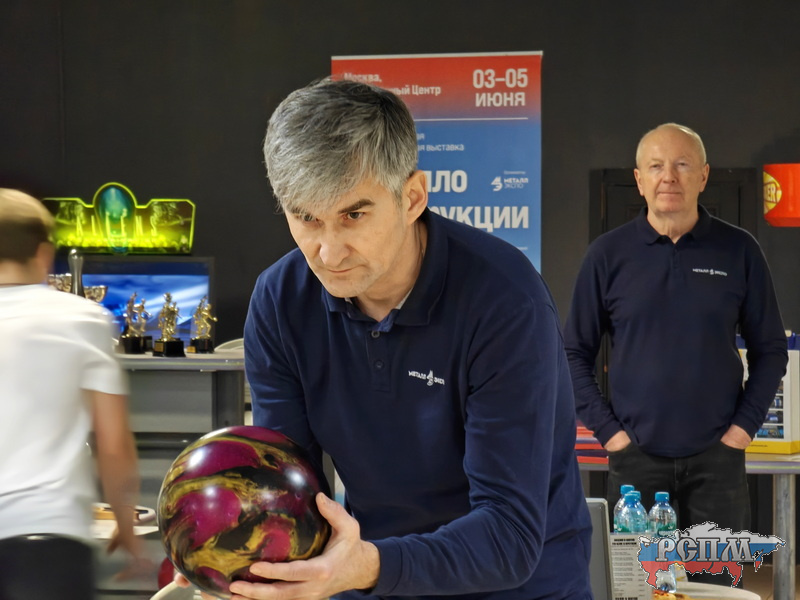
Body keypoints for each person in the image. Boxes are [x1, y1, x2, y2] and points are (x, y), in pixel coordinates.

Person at [237, 78, 592, 599]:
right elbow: (287, 493)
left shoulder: (505, 300)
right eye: (306, 218)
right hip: (370, 575)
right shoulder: (280, 302)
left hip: (519, 583)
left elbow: (510, 537)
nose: (328, 253)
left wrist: (367, 567)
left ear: (412, 198)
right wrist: (230, 550)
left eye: (353, 215)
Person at [564, 124, 788, 541]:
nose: (669, 176)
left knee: (716, 578)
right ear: (639, 180)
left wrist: (741, 430)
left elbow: (772, 350)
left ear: (703, 176)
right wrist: (610, 435)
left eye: (682, 165)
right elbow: (573, 354)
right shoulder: (607, 256)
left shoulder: (739, 250)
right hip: (635, 464)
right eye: (656, 166)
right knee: (641, 578)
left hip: (718, 462)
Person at [0, 188, 147, 599]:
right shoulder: (83, 319)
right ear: (44, 254)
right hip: (50, 544)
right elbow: (113, 444)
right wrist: (125, 524)